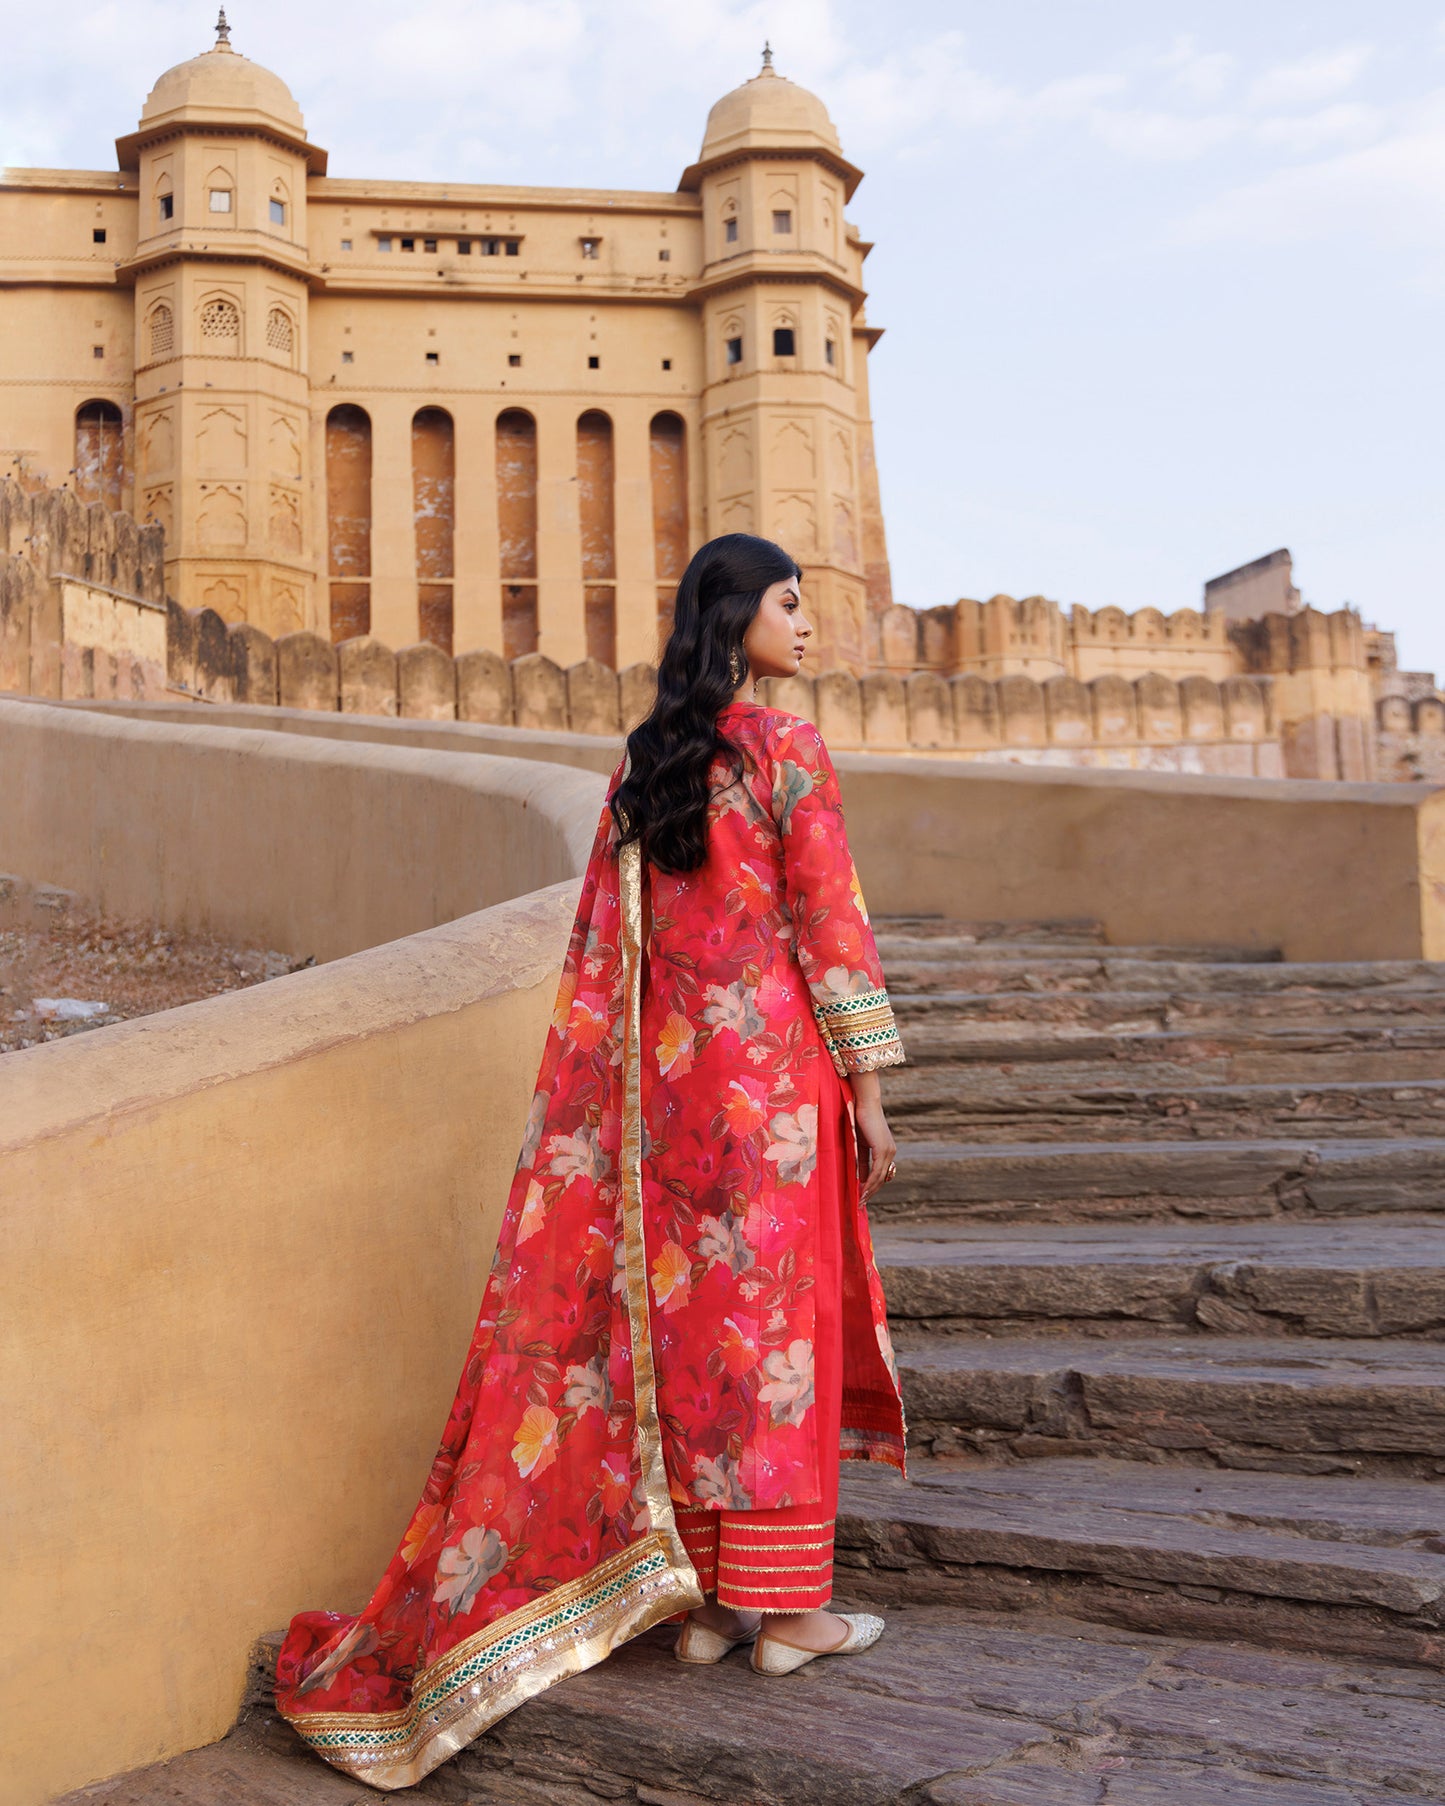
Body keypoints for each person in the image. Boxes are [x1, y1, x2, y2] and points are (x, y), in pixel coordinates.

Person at [275, 534, 907, 1790]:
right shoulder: (785, 750)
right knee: (776, 1341)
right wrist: (869, 1092)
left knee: (702, 1337)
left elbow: (607, 959)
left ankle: (713, 1607)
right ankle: (787, 1615)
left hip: (666, 1099)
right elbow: (829, 928)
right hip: (772, 1087)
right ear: (738, 616)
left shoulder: (648, 763)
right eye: (790, 602)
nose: (806, 624)